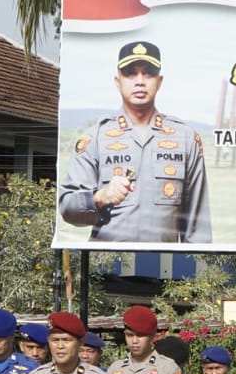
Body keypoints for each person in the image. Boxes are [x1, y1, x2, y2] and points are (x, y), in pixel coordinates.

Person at [58, 41, 212, 244]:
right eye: (130, 73)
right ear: (117, 81)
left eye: (148, 73)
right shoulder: (95, 138)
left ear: (160, 81)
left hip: (166, 270)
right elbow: (68, 207)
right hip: (106, 269)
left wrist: (196, 273)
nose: (140, 81)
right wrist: (100, 196)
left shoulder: (185, 138)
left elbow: (197, 228)